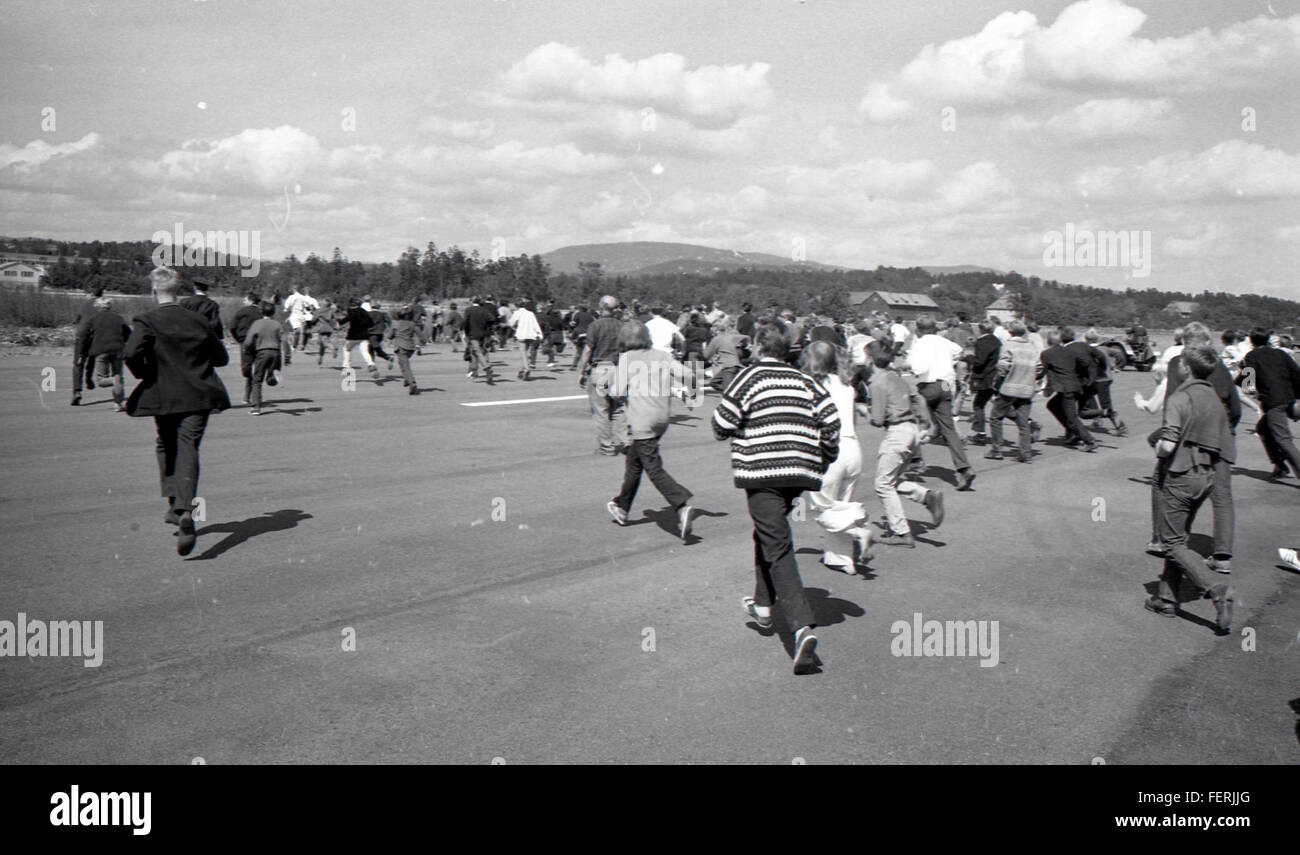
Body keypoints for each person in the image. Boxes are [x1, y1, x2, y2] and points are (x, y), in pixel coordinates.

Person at [712, 321, 840, 675]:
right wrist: (822, 458)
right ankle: (764, 605)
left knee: (777, 543)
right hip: (799, 471)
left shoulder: (748, 377)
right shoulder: (806, 380)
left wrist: (747, 427)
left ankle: (801, 628)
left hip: (763, 471)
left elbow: (720, 423)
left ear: (755, 346)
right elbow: (831, 423)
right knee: (769, 532)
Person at [122, 267, 231, 557]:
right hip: (198, 395)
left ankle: (177, 505)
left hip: (164, 395)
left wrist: (146, 375)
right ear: (179, 290)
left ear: (153, 290)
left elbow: (130, 353)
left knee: (165, 443)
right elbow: (221, 358)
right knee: (188, 446)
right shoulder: (198, 320)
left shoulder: (146, 320)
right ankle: (182, 509)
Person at [1144, 345, 1235, 635]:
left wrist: (1158, 447)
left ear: (1186, 368)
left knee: (1171, 543)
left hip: (1180, 474)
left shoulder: (1180, 397)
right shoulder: (1213, 398)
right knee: (1180, 539)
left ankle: (1215, 590)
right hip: (1206, 476)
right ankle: (1167, 600)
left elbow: (1168, 443)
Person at [1150, 322, 1240, 571]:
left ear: (1185, 344)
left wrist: (1167, 434)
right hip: (1221, 437)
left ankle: (1162, 538)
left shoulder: (1179, 365)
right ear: (1208, 341)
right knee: (1222, 496)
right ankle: (1223, 555)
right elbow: (1235, 408)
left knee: (1162, 482)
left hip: (1189, 437)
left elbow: (1172, 403)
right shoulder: (1219, 366)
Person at [606, 321, 695, 539]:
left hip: (641, 420)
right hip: (662, 418)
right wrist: (690, 393)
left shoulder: (627, 359)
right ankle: (622, 506)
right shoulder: (662, 356)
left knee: (653, 468)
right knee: (635, 464)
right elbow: (689, 376)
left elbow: (616, 391)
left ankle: (681, 504)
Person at [802, 342, 874, 573]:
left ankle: (858, 532)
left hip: (828, 449)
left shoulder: (812, 385)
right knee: (840, 505)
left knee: (821, 508)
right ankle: (841, 559)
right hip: (852, 447)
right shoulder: (846, 384)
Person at [867, 351, 944, 547]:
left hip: (897, 433)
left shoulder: (876, 382)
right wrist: (926, 423)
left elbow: (877, 419)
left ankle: (901, 533)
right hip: (911, 430)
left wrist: (863, 411)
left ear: (870, 360)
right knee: (891, 480)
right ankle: (926, 496)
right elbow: (918, 399)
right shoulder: (897, 377)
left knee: (882, 484)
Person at [906, 315, 975, 490]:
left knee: (910, 419)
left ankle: (916, 459)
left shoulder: (920, 344)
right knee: (949, 428)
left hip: (929, 384)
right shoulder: (944, 342)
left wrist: (909, 366)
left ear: (919, 329)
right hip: (946, 384)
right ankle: (964, 468)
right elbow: (958, 351)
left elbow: (919, 368)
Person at [1238, 327, 1300, 480]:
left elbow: (1248, 386)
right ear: (1267, 339)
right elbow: (1297, 374)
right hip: (1289, 398)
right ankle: (1279, 465)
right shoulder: (1281, 354)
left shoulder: (1251, 356)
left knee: (1283, 439)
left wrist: (1243, 369)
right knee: (1263, 429)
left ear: (1251, 341)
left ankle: (1292, 468)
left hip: (1273, 401)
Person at [577, 296, 628, 455]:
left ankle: (606, 446)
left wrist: (581, 371)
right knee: (619, 408)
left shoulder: (595, 325)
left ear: (601, 307)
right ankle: (625, 441)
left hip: (600, 369)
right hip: (618, 369)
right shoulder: (623, 326)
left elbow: (588, 351)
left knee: (601, 410)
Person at [986, 321, 1044, 463]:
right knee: (1023, 422)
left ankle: (996, 449)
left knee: (995, 417)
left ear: (1010, 332)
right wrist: (1031, 378)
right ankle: (1026, 453)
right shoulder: (1031, 347)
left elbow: (1003, 367)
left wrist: (997, 383)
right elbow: (1039, 368)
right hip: (1026, 388)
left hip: (1009, 387)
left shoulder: (1008, 345)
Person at [1040, 327, 1098, 452]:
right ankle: (1074, 433)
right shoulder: (1070, 352)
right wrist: (1087, 380)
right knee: (1053, 405)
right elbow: (1087, 364)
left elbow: (1042, 372)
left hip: (1066, 389)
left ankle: (1089, 440)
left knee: (1071, 418)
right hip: (1075, 386)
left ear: (1048, 342)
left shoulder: (1046, 354)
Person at [83, 297, 132, 412]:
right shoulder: (119, 318)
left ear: (98, 306)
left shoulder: (93, 319)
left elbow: (85, 334)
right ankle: (118, 403)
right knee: (118, 375)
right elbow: (128, 333)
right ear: (110, 306)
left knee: (101, 380)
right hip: (118, 349)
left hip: (101, 350)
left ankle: (113, 382)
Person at [1079, 328, 1128, 436]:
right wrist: (1118, 366)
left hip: (1097, 380)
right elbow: (1119, 354)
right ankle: (1097, 419)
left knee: (1102, 403)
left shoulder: (1085, 350)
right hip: (1106, 378)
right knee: (1089, 396)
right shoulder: (1104, 348)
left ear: (1086, 339)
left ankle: (1120, 426)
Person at [242, 301, 283, 416]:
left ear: (261, 311)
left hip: (262, 352)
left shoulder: (257, 323)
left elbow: (249, 340)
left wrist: (247, 349)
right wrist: (288, 356)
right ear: (273, 312)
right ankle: (272, 376)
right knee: (272, 370)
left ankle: (256, 407)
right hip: (276, 352)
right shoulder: (277, 324)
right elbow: (283, 340)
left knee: (257, 380)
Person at [965, 320, 1002, 444]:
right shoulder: (997, 341)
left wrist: (968, 357)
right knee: (999, 404)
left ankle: (980, 432)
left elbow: (979, 361)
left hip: (984, 377)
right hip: (994, 375)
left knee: (978, 404)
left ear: (980, 329)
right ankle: (1027, 422)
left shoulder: (981, 342)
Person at [69, 286, 103, 406]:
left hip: (82, 335)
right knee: (92, 356)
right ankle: (88, 378)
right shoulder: (101, 305)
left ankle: (77, 391)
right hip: (94, 335)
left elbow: (76, 319)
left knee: (78, 363)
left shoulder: (84, 304)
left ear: (90, 293)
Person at [227, 290, 262, 406]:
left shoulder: (241, 312)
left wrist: (238, 339)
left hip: (245, 342)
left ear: (250, 300)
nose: (244, 301)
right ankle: (253, 394)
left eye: (245, 299)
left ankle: (248, 394)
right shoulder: (261, 312)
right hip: (259, 342)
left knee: (246, 368)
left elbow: (232, 327)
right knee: (257, 369)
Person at [703, 321, 750, 393]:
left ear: (717, 331)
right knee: (714, 383)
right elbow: (747, 337)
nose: (712, 333)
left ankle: (733, 394)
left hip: (728, 366)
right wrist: (744, 345)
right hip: (731, 365)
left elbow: (706, 355)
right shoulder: (730, 336)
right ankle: (733, 392)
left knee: (727, 389)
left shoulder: (716, 339)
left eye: (713, 331)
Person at [340, 297, 379, 380]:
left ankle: (346, 367)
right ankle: (371, 364)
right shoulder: (364, 312)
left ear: (352, 304)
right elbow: (371, 323)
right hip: (364, 336)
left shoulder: (352, 312)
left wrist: (339, 322)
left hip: (353, 335)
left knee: (346, 349)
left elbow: (346, 319)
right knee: (364, 351)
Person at [461, 296, 497, 384]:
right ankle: (474, 370)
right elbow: (492, 319)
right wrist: (487, 327)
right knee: (476, 352)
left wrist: (463, 331)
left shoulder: (468, 310)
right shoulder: (484, 310)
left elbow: (465, 322)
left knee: (477, 351)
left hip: (473, 334)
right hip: (483, 334)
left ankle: (486, 367)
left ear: (472, 301)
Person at [390, 306, 424, 395]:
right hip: (410, 348)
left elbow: (390, 336)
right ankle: (407, 378)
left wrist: (393, 335)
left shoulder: (396, 324)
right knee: (402, 364)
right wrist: (423, 341)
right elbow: (420, 334)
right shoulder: (412, 324)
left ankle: (412, 383)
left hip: (400, 347)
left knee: (405, 366)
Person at [510, 298, 544, 380]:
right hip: (531, 335)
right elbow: (535, 324)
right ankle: (522, 370)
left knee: (523, 353)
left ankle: (526, 369)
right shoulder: (530, 313)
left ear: (516, 305)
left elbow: (511, 323)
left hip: (521, 335)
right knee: (526, 353)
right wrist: (539, 334)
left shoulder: (517, 313)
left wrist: (515, 328)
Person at [283, 284, 319, 351]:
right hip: (294, 316)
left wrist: (310, 308)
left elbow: (307, 306)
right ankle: (294, 345)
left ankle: (296, 345)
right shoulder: (292, 297)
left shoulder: (302, 297)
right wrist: (286, 311)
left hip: (301, 316)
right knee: (298, 331)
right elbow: (286, 307)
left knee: (302, 332)